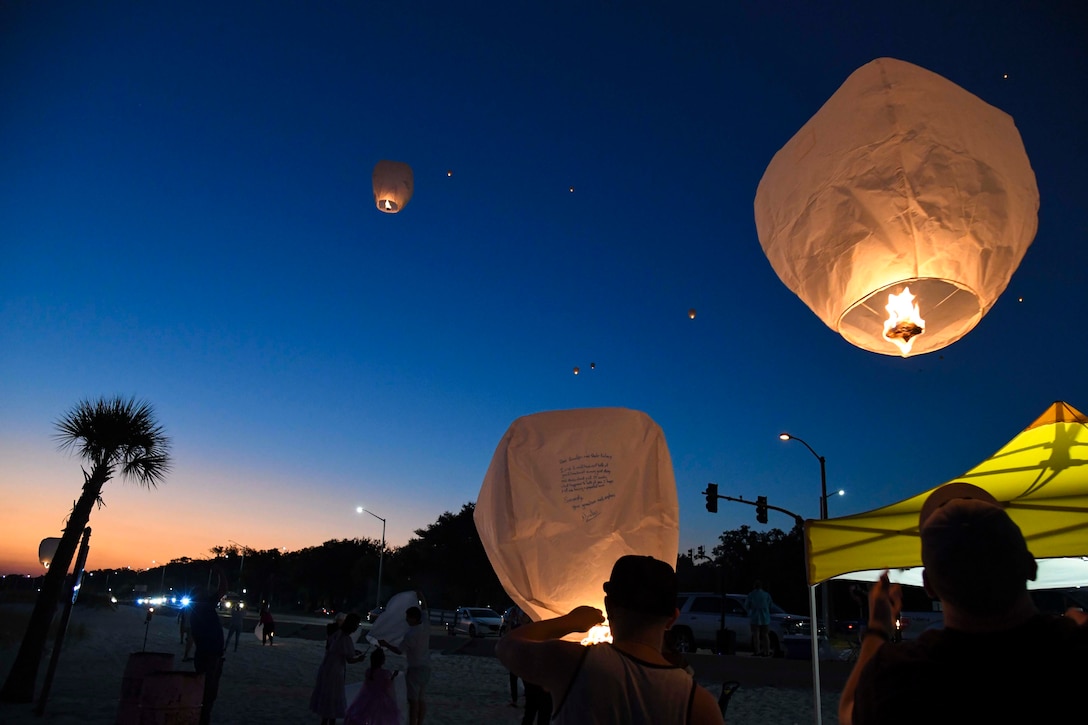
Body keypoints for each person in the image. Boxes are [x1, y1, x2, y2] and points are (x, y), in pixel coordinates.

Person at [839, 483, 1088, 725]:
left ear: (929, 586)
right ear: (1030, 564)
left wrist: (877, 630)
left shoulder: (901, 676)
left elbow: (849, 711)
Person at [495, 554, 724, 724]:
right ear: (672, 618)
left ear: (608, 606)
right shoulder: (699, 704)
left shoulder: (572, 663)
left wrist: (570, 621)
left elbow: (506, 646)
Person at [378, 605, 431, 725]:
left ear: (413, 618)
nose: (406, 620)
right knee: (421, 699)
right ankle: (420, 722)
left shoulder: (411, 634)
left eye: (408, 617)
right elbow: (425, 610)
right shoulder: (426, 625)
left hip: (415, 668)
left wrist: (386, 644)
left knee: (413, 701)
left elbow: (399, 650)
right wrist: (420, 596)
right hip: (427, 666)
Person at [310, 612, 366, 725]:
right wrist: (359, 659)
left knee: (326, 698)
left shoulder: (336, 634)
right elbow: (349, 659)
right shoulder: (346, 639)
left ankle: (324, 722)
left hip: (326, 668)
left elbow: (337, 650)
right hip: (336, 672)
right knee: (334, 699)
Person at [189, 573, 226, 725]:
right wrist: (221, 573)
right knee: (208, 693)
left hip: (207, 654)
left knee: (205, 692)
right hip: (209, 655)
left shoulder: (198, 608)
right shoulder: (203, 606)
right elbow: (222, 590)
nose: (205, 592)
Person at [345, 646, 400, 725]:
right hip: (380, 699)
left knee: (365, 716)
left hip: (367, 697)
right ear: (382, 660)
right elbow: (387, 686)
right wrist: (393, 676)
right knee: (379, 719)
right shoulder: (385, 673)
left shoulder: (368, 671)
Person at [744, 579, 773, 657]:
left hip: (754, 617)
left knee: (756, 635)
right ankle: (767, 651)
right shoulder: (766, 595)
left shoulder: (751, 595)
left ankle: (757, 651)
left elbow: (746, 606)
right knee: (765, 635)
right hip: (765, 618)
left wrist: (750, 611)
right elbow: (770, 605)